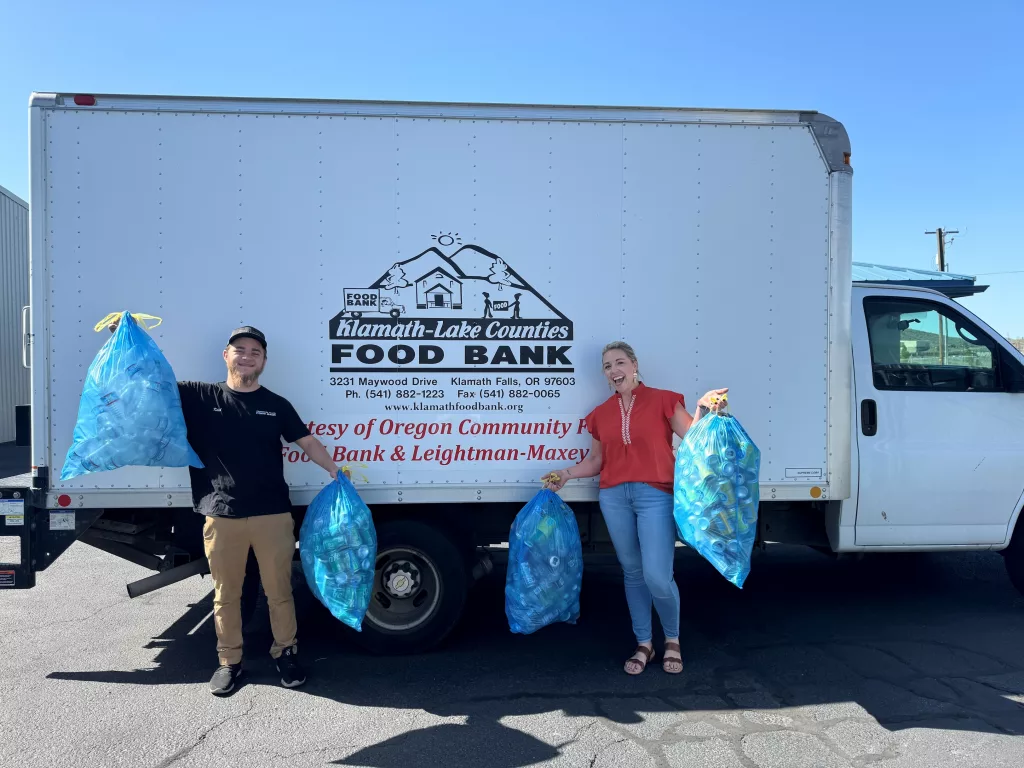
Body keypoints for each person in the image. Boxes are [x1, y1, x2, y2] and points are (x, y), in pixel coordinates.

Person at [109, 320, 341, 695]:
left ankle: (286, 653)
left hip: (273, 516)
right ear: (226, 355)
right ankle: (229, 662)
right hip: (221, 515)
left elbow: (307, 441)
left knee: (279, 592)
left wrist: (332, 469)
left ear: (263, 360)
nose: (247, 356)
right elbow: (153, 381)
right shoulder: (199, 395)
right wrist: (126, 344)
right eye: (240, 349)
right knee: (226, 594)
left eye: (255, 352)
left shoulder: (275, 405)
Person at [543, 341, 726, 676]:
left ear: (634, 365)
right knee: (632, 572)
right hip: (614, 497)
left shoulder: (664, 400)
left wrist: (705, 407)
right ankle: (644, 642)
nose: (614, 371)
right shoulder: (600, 414)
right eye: (608, 366)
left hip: (655, 494)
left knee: (657, 574)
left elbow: (696, 438)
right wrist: (565, 475)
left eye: (620, 363)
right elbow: (597, 461)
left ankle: (672, 639)